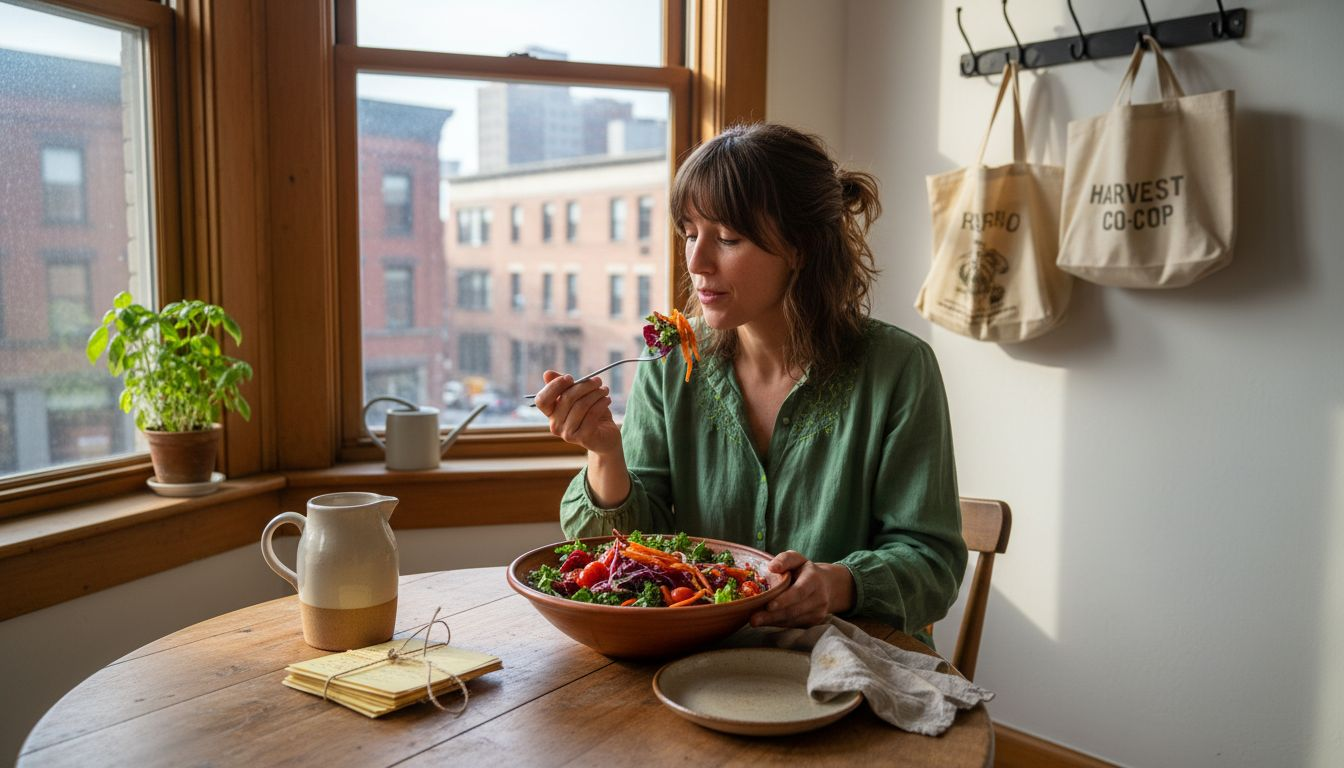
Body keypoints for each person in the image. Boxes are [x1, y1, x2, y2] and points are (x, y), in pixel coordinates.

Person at [532, 122, 965, 640]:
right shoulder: (669, 361)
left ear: (801, 246)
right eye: (690, 234)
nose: (695, 261)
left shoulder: (899, 369)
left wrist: (837, 583)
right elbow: (634, 553)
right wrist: (605, 452)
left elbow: (932, 563)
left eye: (727, 238)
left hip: (851, 664)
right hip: (697, 663)